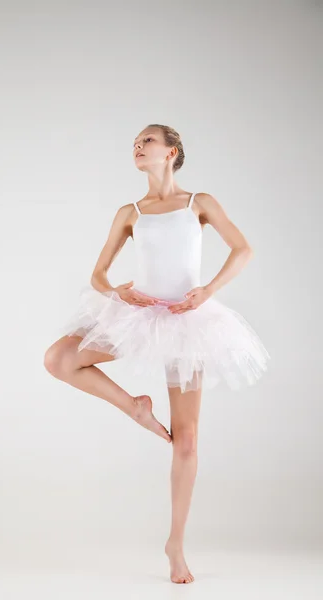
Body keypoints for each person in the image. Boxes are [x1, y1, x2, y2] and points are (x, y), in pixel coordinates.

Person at [43, 124, 270, 584]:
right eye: (134, 142)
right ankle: (136, 410)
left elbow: (243, 249)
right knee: (59, 359)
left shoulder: (198, 204)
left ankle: (176, 544)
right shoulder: (130, 212)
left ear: (171, 152)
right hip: (140, 314)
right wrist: (118, 293)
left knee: (186, 441)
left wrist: (207, 291)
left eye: (147, 141)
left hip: (189, 321)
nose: (137, 146)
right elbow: (99, 274)